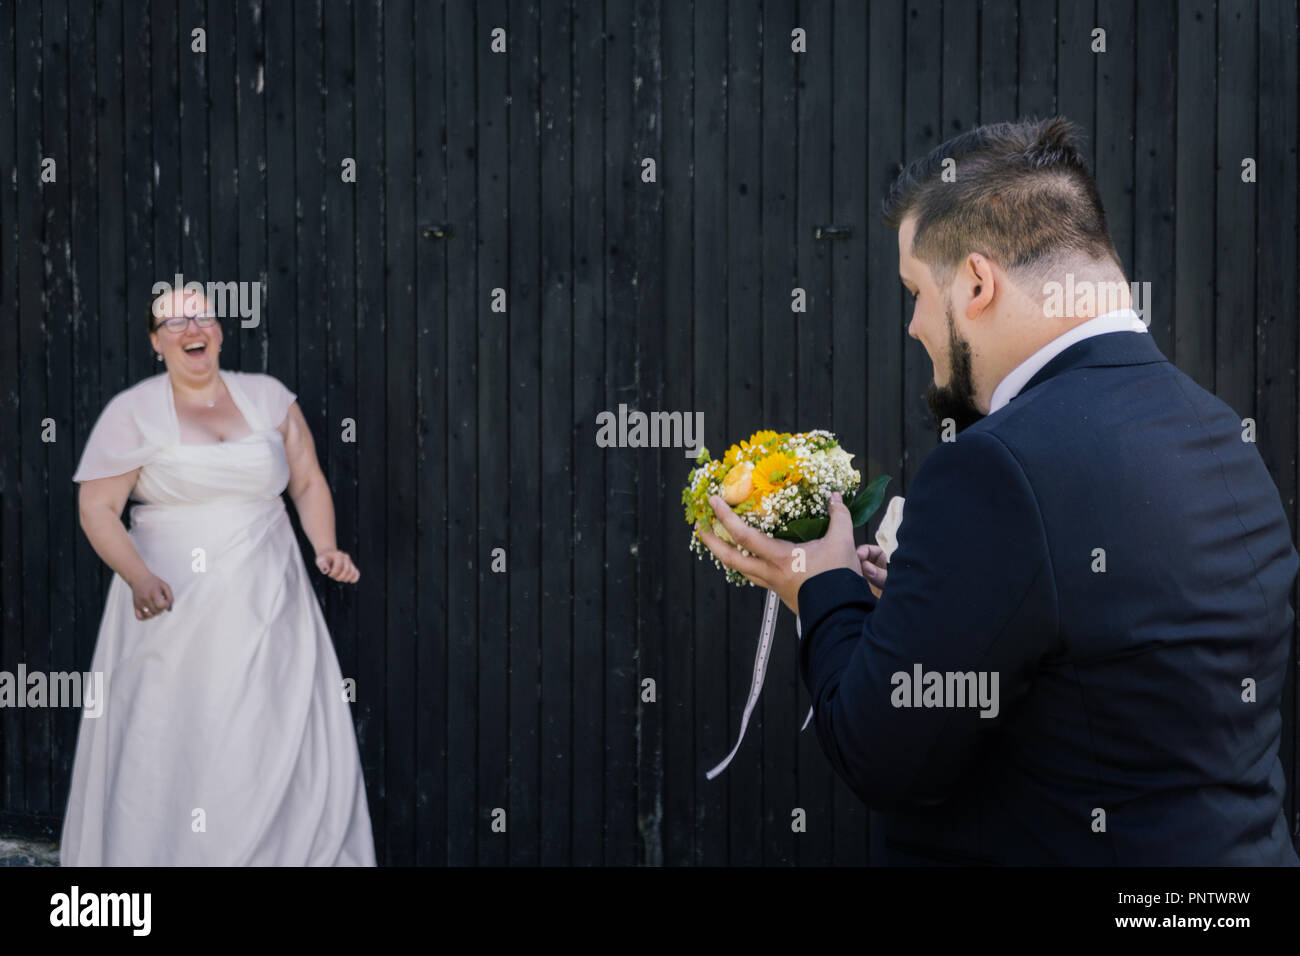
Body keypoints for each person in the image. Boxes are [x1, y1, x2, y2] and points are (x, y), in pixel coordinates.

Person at [699, 116, 1300, 865]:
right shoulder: (1218, 434)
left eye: (916, 291)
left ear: (978, 282)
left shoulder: (998, 468)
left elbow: (878, 753)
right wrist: (926, 611)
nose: (915, 325)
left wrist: (820, 588)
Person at [60, 285, 376, 866]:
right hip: (173, 606)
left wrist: (326, 546)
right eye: (172, 322)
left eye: (200, 315)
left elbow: (305, 480)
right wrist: (137, 576)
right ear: (156, 343)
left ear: (220, 330)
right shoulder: (131, 413)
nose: (189, 328)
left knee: (267, 731)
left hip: (270, 599)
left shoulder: (268, 398)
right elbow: (96, 509)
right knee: (180, 734)